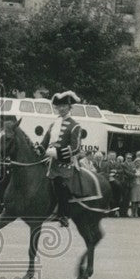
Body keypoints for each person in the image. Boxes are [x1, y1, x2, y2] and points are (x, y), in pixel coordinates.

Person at [39, 90, 83, 227]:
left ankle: (63, 215)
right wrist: (38, 149)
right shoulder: (53, 124)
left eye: (64, 106)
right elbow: (44, 143)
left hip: (65, 163)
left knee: (59, 185)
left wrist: (57, 153)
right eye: (59, 106)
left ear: (70, 107)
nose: (61, 109)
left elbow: (76, 148)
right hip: (50, 162)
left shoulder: (75, 125)